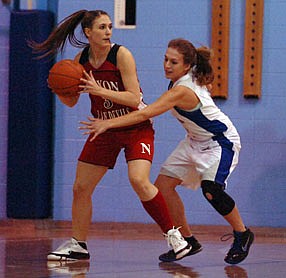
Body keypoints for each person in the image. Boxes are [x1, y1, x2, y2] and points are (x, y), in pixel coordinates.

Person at [29, 11, 192, 261]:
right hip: (104, 128)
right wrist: (59, 88)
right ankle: (79, 246)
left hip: (135, 126)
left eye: (109, 27)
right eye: (102, 27)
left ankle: (175, 237)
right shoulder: (80, 60)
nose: (108, 32)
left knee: (139, 180)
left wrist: (98, 89)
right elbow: (72, 101)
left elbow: (134, 98)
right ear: (88, 33)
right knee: (80, 188)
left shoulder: (121, 55)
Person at [79, 38, 255, 265]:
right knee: (162, 187)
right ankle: (189, 240)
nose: (167, 65)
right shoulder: (182, 80)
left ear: (186, 66)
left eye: (174, 62)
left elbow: (145, 114)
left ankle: (242, 234)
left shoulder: (180, 90)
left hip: (219, 143)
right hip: (193, 141)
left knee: (211, 190)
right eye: (165, 59)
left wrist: (107, 123)